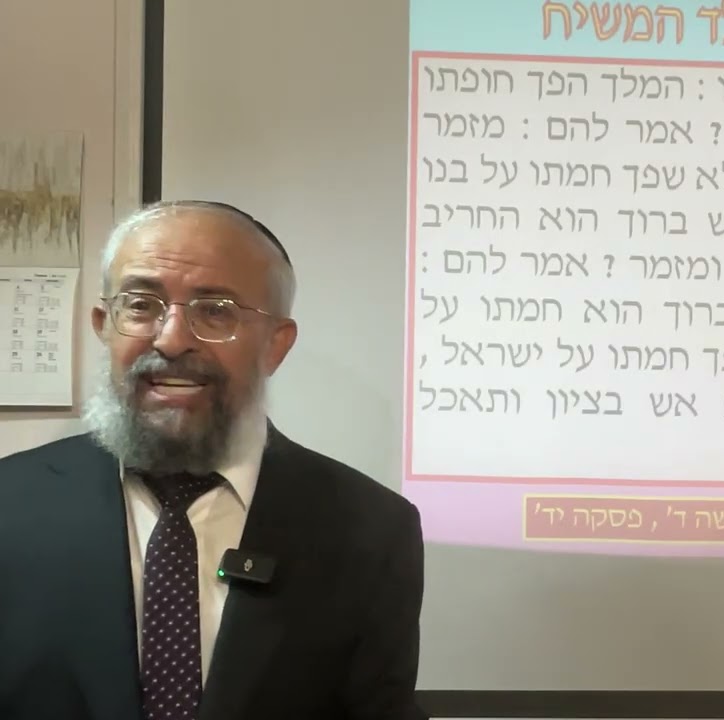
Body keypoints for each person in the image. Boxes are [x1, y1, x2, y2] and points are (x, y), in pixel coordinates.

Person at [0, 200, 425, 720]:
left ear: (276, 345)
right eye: (141, 305)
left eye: (215, 311)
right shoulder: (8, 506)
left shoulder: (372, 531)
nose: (171, 339)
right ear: (104, 325)